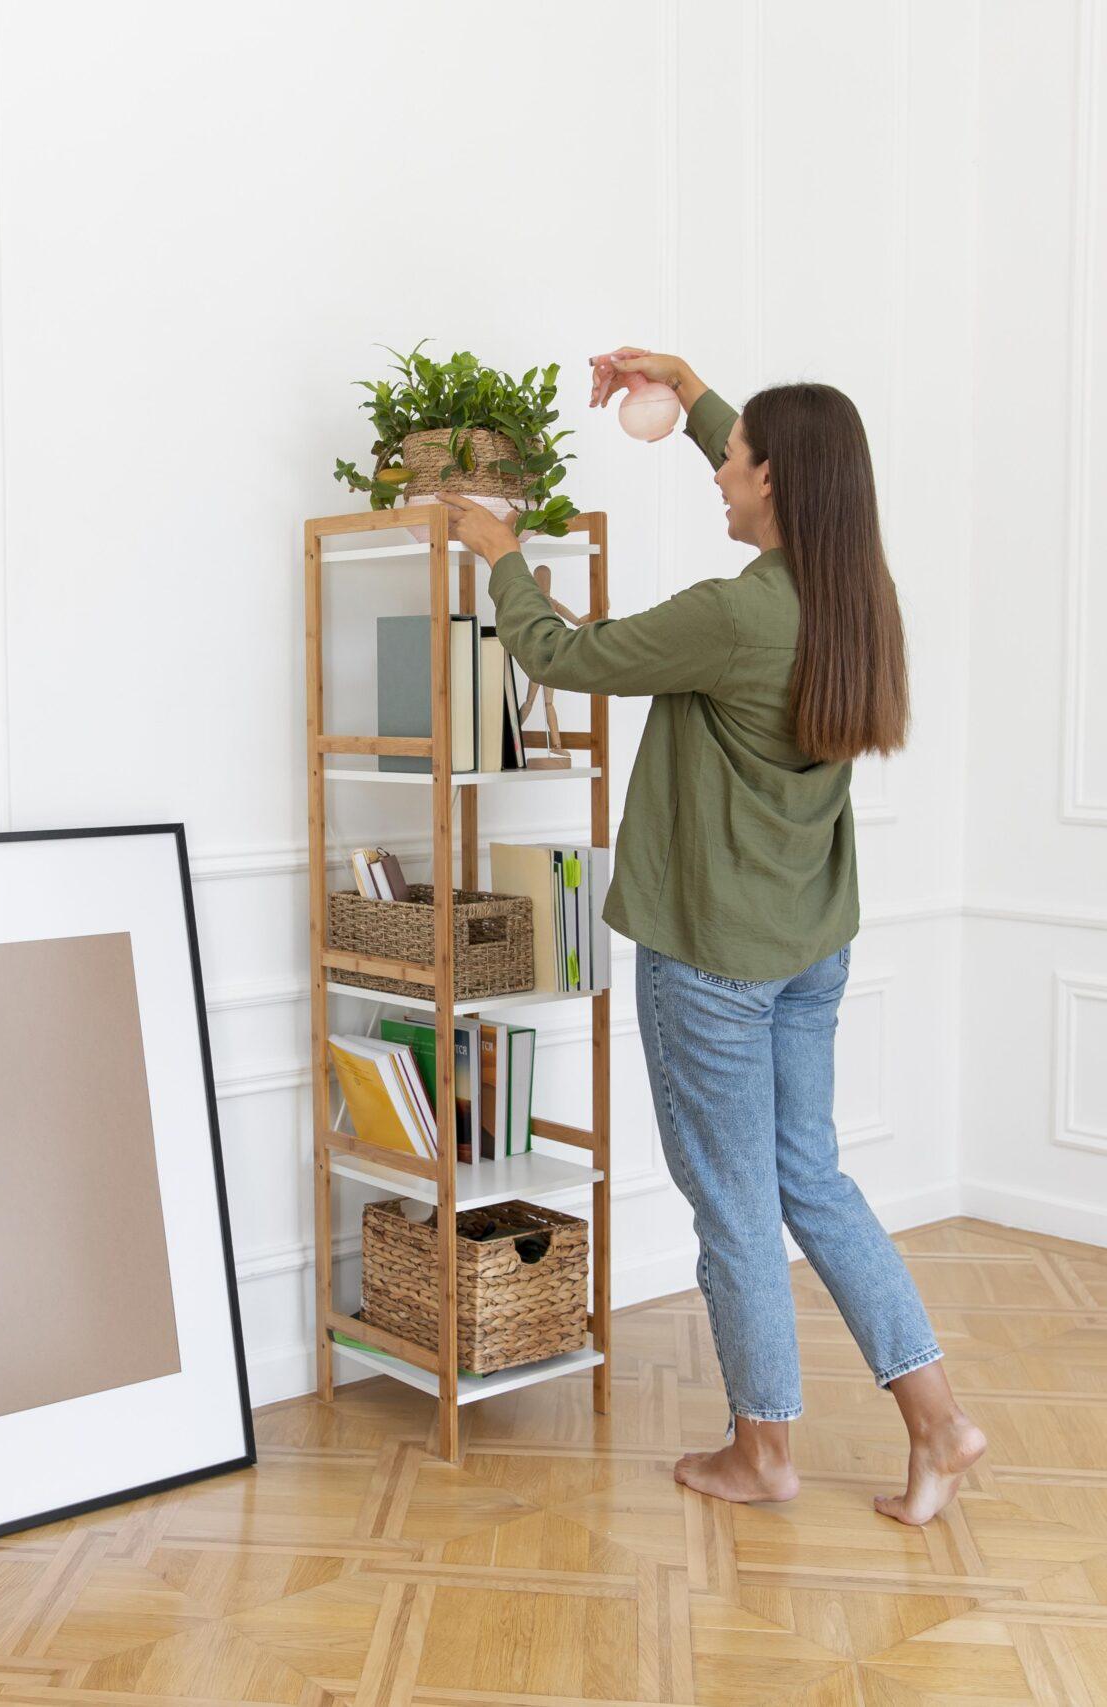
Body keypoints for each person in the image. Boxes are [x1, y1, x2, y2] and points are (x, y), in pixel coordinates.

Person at [442, 346, 986, 1524]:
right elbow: (794, 472)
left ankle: (763, 1452)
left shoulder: (732, 617)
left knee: (735, 1204)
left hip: (714, 962)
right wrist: (690, 398)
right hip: (808, 943)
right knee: (812, 1182)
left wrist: (504, 562)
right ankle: (939, 1422)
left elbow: (564, 657)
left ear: (776, 482)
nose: (718, 476)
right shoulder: (856, 597)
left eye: (731, 462)